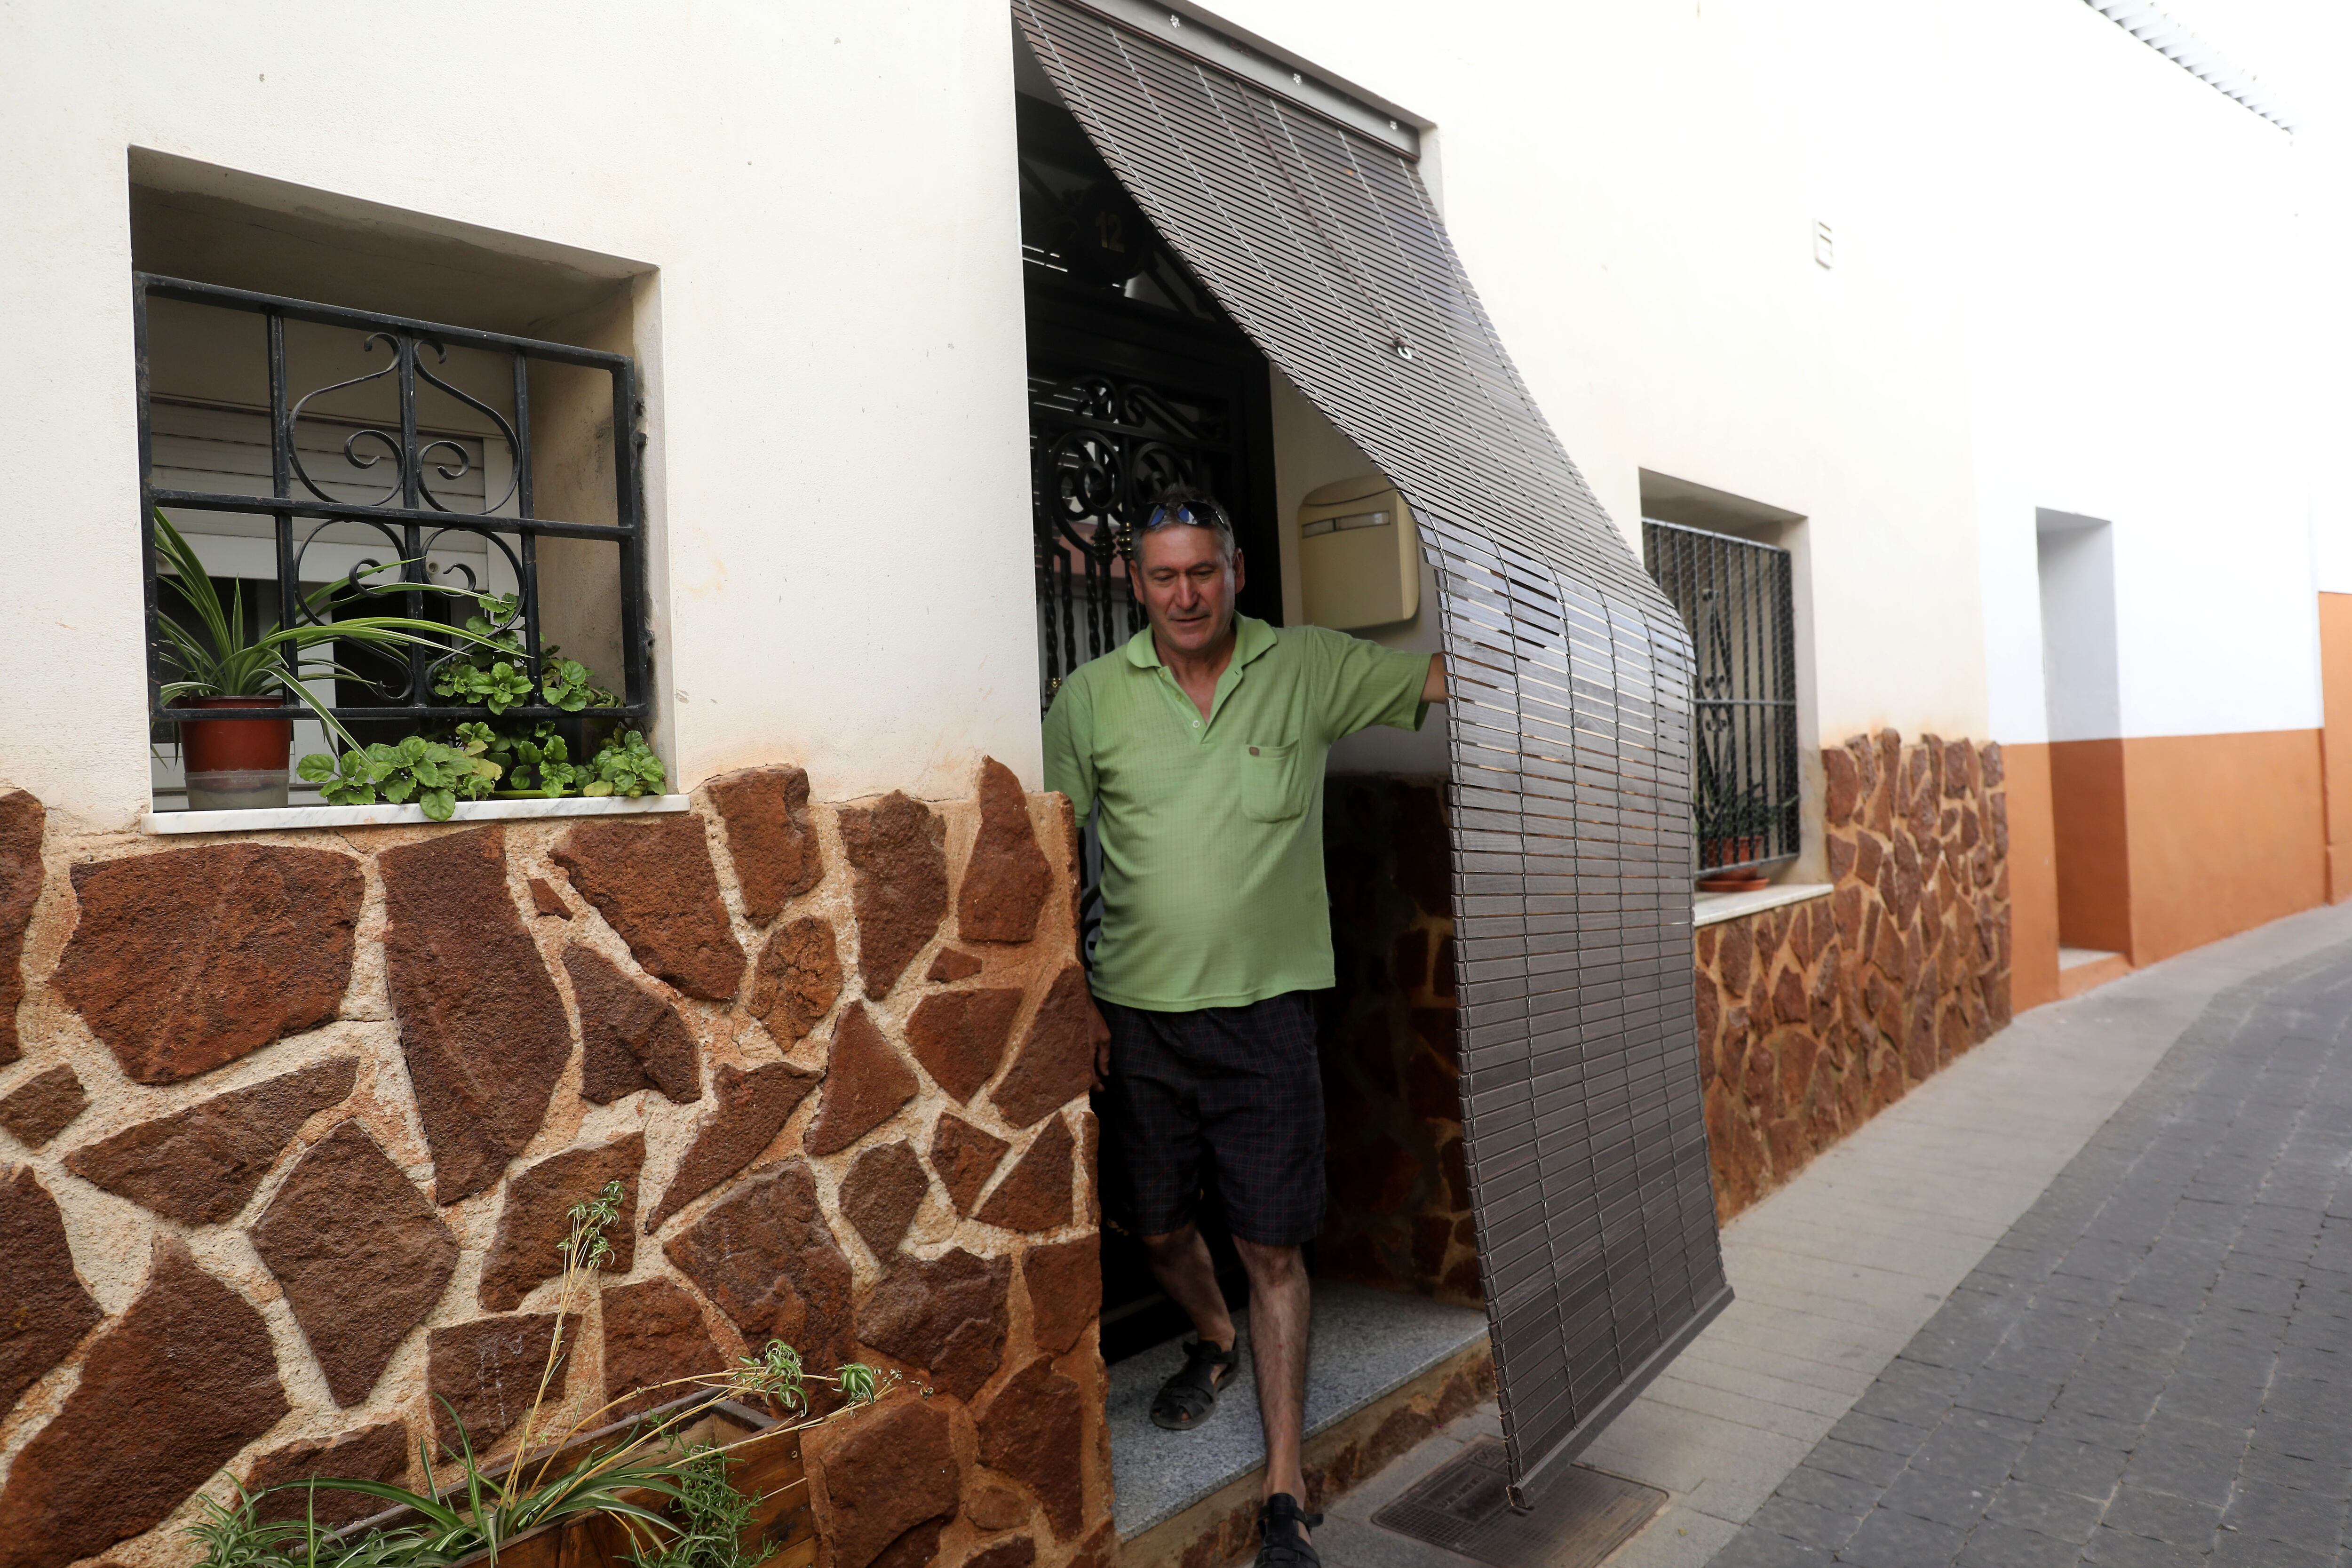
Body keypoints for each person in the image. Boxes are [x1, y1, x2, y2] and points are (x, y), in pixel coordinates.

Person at [1044, 484, 1446, 1568]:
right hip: (1138, 1015)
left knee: (1273, 1244)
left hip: (1268, 1014)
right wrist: (1076, 994)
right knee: (1157, 1225)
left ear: (1235, 572)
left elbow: (1443, 679)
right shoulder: (1088, 698)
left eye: (1204, 570)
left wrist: (1549, 631)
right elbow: (1052, 852)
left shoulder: (1305, 667)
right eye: (1164, 574)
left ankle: (1284, 1489)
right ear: (1136, 582)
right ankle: (1212, 1334)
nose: (1185, 592)